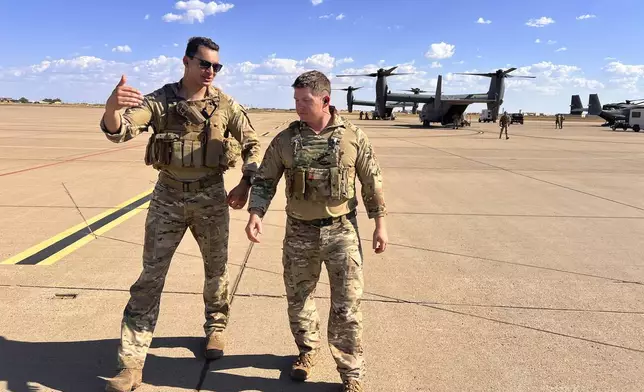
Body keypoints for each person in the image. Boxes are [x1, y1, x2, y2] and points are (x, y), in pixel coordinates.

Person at [100, 36, 262, 392]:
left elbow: (252, 143)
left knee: (216, 271)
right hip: (167, 199)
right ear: (186, 62)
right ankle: (131, 365)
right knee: (149, 281)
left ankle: (216, 328)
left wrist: (247, 182)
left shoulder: (226, 105)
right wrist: (113, 107)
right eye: (204, 64)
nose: (211, 72)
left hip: (211, 198)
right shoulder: (161, 101)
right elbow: (121, 131)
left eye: (216, 66)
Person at [245, 70, 388, 392]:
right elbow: (266, 179)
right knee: (299, 299)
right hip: (299, 233)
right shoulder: (285, 139)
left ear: (326, 100)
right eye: (295, 100)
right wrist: (256, 213)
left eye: (305, 101)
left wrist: (380, 224)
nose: (298, 106)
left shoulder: (353, 136)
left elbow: (371, 182)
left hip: (342, 231)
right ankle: (307, 352)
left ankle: (351, 374)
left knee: (347, 306)